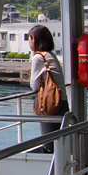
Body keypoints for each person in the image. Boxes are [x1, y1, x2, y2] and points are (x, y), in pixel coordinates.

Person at [28, 25, 69, 153]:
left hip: (50, 106)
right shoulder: (51, 55)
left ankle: (54, 173)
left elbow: (33, 85)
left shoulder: (38, 57)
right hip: (62, 103)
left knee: (50, 146)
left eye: (29, 38)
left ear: (33, 39)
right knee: (61, 144)